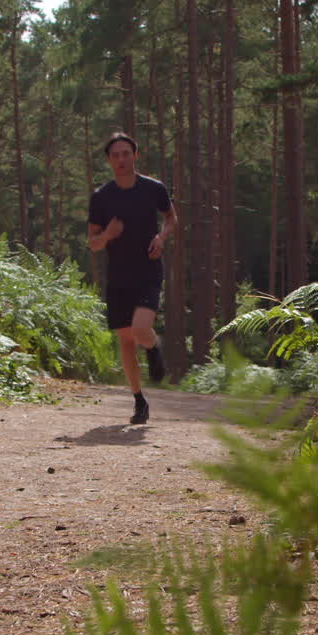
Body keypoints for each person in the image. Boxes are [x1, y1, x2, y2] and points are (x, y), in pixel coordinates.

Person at [87, 132, 178, 425]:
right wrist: (107, 235)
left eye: (126, 153)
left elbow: (171, 218)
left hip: (148, 269)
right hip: (119, 275)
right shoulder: (102, 197)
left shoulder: (153, 189)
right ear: (109, 160)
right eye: (116, 155)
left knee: (140, 329)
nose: (122, 159)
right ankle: (139, 400)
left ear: (135, 155)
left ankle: (153, 347)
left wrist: (161, 237)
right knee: (126, 339)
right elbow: (92, 242)